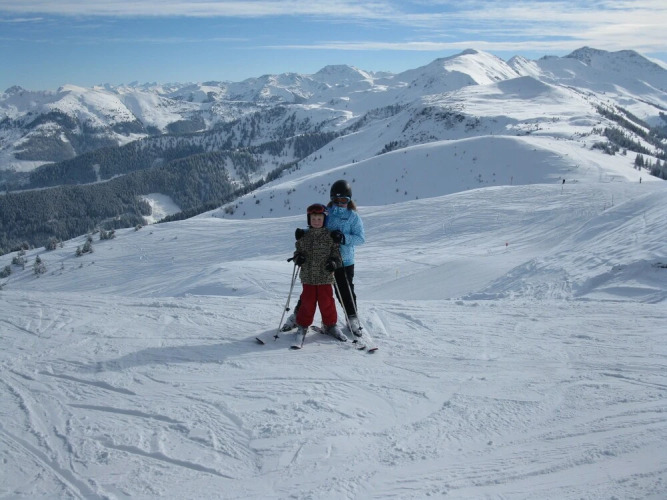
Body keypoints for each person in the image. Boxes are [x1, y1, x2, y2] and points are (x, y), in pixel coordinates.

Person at [282, 180, 366, 336]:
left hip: (345, 261)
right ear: (331, 198)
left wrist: (343, 238)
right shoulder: (327, 212)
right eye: (336, 200)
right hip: (322, 259)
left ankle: (352, 318)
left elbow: (360, 238)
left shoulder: (353, 217)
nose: (339, 203)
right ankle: (297, 316)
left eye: (343, 200)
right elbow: (316, 226)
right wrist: (303, 233)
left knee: (345, 291)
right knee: (311, 290)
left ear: (349, 200)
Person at [291, 203, 345, 340]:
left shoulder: (329, 236)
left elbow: (337, 256)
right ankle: (303, 325)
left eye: (319, 219)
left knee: (327, 302)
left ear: (324, 220)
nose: (316, 222)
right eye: (313, 219)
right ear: (309, 219)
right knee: (307, 302)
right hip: (308, 276)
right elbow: (297, 252)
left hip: (325, 276)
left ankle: (330, 325)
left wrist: (333, 263)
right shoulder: (304, 236)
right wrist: (298, 258)